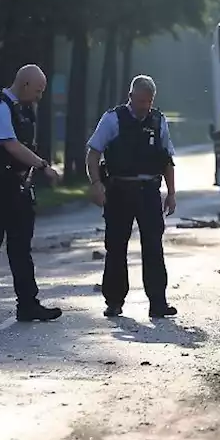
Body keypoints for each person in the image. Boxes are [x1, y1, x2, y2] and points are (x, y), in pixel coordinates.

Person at [0, 64, 63, 323]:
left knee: (21, 247)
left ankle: (28, 304)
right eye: (37, 90)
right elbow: (9, 144)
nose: (39, 97)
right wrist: (43, 165)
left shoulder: (25, 111)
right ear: (23, 85)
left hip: (18, 187)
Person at [85, 75, 177, 319]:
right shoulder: (113, 119)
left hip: (149, 191)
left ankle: (158, 302)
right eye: (140, 101)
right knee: (116, 247)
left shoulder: (158, 121)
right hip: (119, 191)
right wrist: (96, 184)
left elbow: (167, 159)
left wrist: (171, 193)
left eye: (148, 102)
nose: (144, 107)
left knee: (153, 247)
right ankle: (114, 301)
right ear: (130, 97)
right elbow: (93, 153)